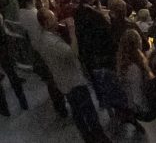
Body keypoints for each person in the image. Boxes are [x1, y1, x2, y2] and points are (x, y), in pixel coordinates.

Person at [36, 9, 111, 143]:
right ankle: (99, 137)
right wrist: (72, 31)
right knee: (89, 112)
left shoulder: (42, 37)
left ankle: (87, 137)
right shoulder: (51, 42)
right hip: (73, 81)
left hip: (63, 80)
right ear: (46, 23)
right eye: (53, 18)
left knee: (77, 113)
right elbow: (72, 53)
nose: (56, 19)